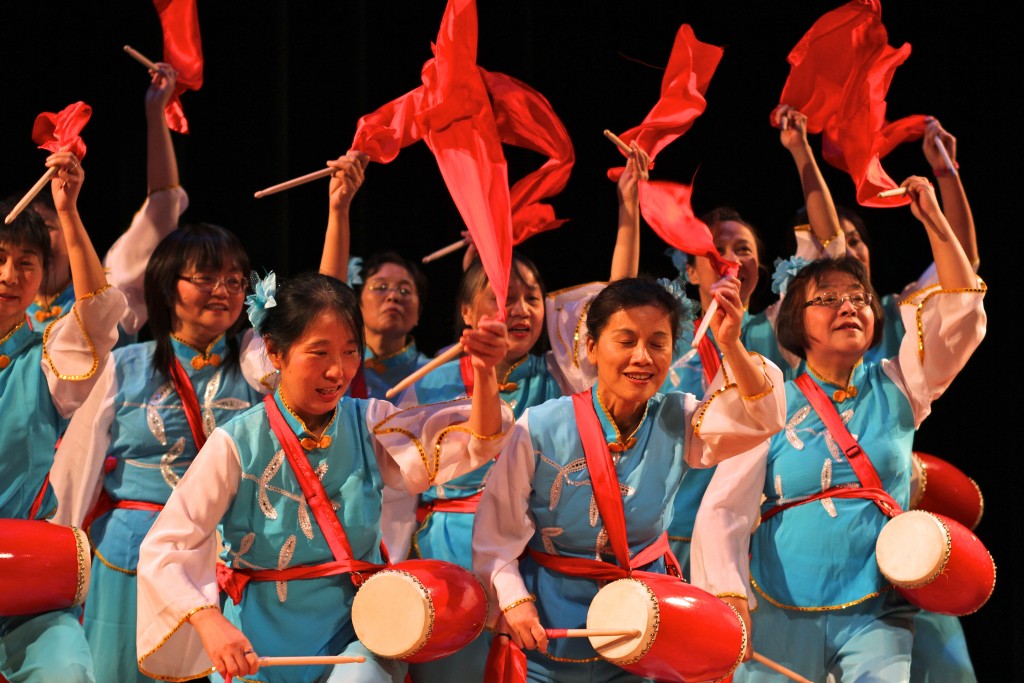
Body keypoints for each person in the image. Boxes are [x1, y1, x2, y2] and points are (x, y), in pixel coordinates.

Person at [51, 151, 368, 682]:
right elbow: (76, 469)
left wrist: (338, 211)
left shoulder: (254, 362)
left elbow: (322, 313)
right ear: (167, 285)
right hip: (128, 558)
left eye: (236, 279)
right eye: (205, 277)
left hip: (222, 558)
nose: (224, 289)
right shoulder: (123, 368)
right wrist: (59, 562)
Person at [135, 270, 513, 683]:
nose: (338, 371)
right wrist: (211, 624)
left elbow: (477, 441)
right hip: (255, 644)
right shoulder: (236, 442)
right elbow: (166, 546)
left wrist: (485, 370)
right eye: (319, 353)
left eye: (351, 352)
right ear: (276, 352)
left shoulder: (370, 424)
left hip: (359, 634)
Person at [690, 176, 986, 682]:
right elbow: (724, 511)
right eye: (827, 299)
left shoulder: (901, 383)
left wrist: (935, 220)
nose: (848, 305)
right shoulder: (770, 400)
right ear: (795, 324)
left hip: (877, 612)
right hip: (775, 611)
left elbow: (959, 314)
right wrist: (728, 597)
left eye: (858, 297)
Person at [393, 144, 649, 683]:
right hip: (444, 556)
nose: (519, 309)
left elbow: (615, 302)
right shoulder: (426, 381)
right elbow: (400, 490)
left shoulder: (559, 374)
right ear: (466, 312)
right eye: (500, 296)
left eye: (531, 297)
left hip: (524, 560)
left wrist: (629, 209)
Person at [473, 275, 786, 683]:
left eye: (658, 343)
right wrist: (514, 602)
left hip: (643, 621)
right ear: (591, 348)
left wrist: (730, 344)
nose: (643, 357)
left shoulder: (682, 418)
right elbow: (497, 534)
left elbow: (761, 418)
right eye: (626, 341)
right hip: (547, 623)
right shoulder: (540, 427)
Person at [663, 104, 844, 576]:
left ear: (759, 267)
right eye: (714, 250)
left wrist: (802, 151)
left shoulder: (776, 329)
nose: (729, 259)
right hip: (668, 534)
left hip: (752, 535)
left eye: (742, 250)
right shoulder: (666, 341)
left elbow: (831, 250)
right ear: (690, 269)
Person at [0, 153, 126, 681]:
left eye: (27, 262)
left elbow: (97, 318)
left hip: (23, 576)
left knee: (67, 671)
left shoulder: (47, 357)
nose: (10, 275)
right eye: (0, 257)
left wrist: (68, 213)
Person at [27, 62, 187, 346]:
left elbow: (162, 206)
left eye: (47, 226)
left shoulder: (111, 291)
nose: (36, 237)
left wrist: (155, 113)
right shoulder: (9, 308)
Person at [345, 250, 431, 399]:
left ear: (418, 314)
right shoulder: (339, 370)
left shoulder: (435, 374)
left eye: (405, 290)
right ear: (358, 304)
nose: (393, 296)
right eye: (381, 287)